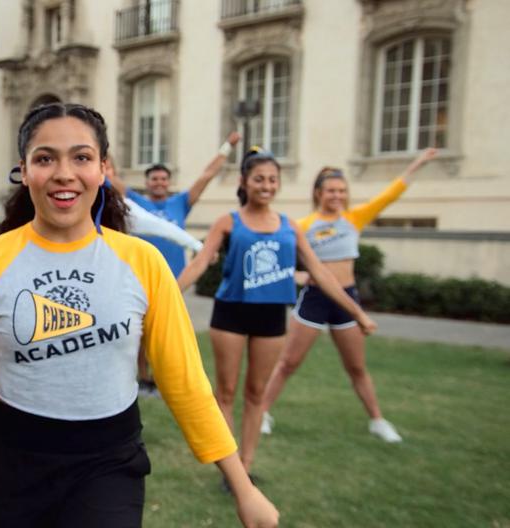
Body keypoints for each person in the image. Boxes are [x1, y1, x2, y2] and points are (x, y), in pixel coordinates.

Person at [0, 103, 279, 528]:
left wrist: (242, 487)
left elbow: (185, 382)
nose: (64, 173)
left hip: (109, 461)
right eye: (45, 158)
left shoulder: (142, 262)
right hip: (10, 459)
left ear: (103, 169)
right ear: (24, 170)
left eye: (82, 157)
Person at [177, 147, 377, 482]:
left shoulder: (290, 227)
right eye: (259, 179)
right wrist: (163, 296)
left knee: (256, 394)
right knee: (225, 393)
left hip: (271, 318)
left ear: (278, 184)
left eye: (272, 179)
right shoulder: (228, 222)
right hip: (231, 313)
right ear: (245, 181)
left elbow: (321, 273)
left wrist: (357, 312)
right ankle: (232, 473)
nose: (266, 185)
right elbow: (199, 263)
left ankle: (247, 465)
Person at [259, 148, 438, 443]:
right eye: (331, 190)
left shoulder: (354, 218)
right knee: (288, 363)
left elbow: (391, 194)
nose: (337, 195)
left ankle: (377, 420)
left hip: (347, 299)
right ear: (318, 193)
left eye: (342, 190)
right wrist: (299, 276)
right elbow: (278, 261)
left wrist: (417, 163)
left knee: (356, 367)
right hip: (315, 300)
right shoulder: (303, 225)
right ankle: (263, 412)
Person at [109, 133, 240, 395]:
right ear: (147, 182)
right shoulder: (135, 202)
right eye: (154, 179)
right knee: (140, 330)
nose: (159, 182)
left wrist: (228, 147)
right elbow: (109, 176)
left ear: (169, 183)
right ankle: (144, 379)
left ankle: (165, 379)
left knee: (169, 331)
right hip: (141, 277)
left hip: (176, 280)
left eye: (163, 179)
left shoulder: (180, 203)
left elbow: (206, 176)